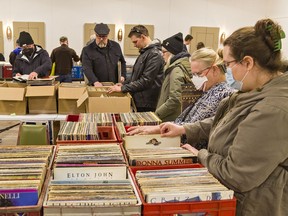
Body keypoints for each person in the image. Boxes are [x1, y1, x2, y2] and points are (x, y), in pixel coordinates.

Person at [159, 18, 288, 216]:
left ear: (248, 62)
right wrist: (185, 129)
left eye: (228, 64)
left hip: (254, 206)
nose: (228, 72)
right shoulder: (255, 90)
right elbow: (229, 122)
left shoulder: (273, 109)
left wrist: (200, 155)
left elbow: (236, 174)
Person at [128, 47, 235, 149]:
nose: (196, 78)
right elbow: (187, 121)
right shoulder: (206, 90)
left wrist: (159, 129)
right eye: (193, 75)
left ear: (215, 70)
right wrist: (158, 128)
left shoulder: (224, 94)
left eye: (198, 74)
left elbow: (198, 126)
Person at [108, 25, 164, 112]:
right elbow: (136, 75)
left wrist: (123, 88)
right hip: (140, 99)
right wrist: (124, 84)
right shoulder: (145, 52)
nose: (134, 45)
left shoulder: (154, 54)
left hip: (147, 102)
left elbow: (146, 81)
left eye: (135, 42)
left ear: (142, 37)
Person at [155, 32, 192, 122]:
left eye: (164, 52)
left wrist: (157, 114)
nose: (162, 54)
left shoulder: (176, 70)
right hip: (170, 117)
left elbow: (175, 100)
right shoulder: (175, 68)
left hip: (169, 118)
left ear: (172, 53)